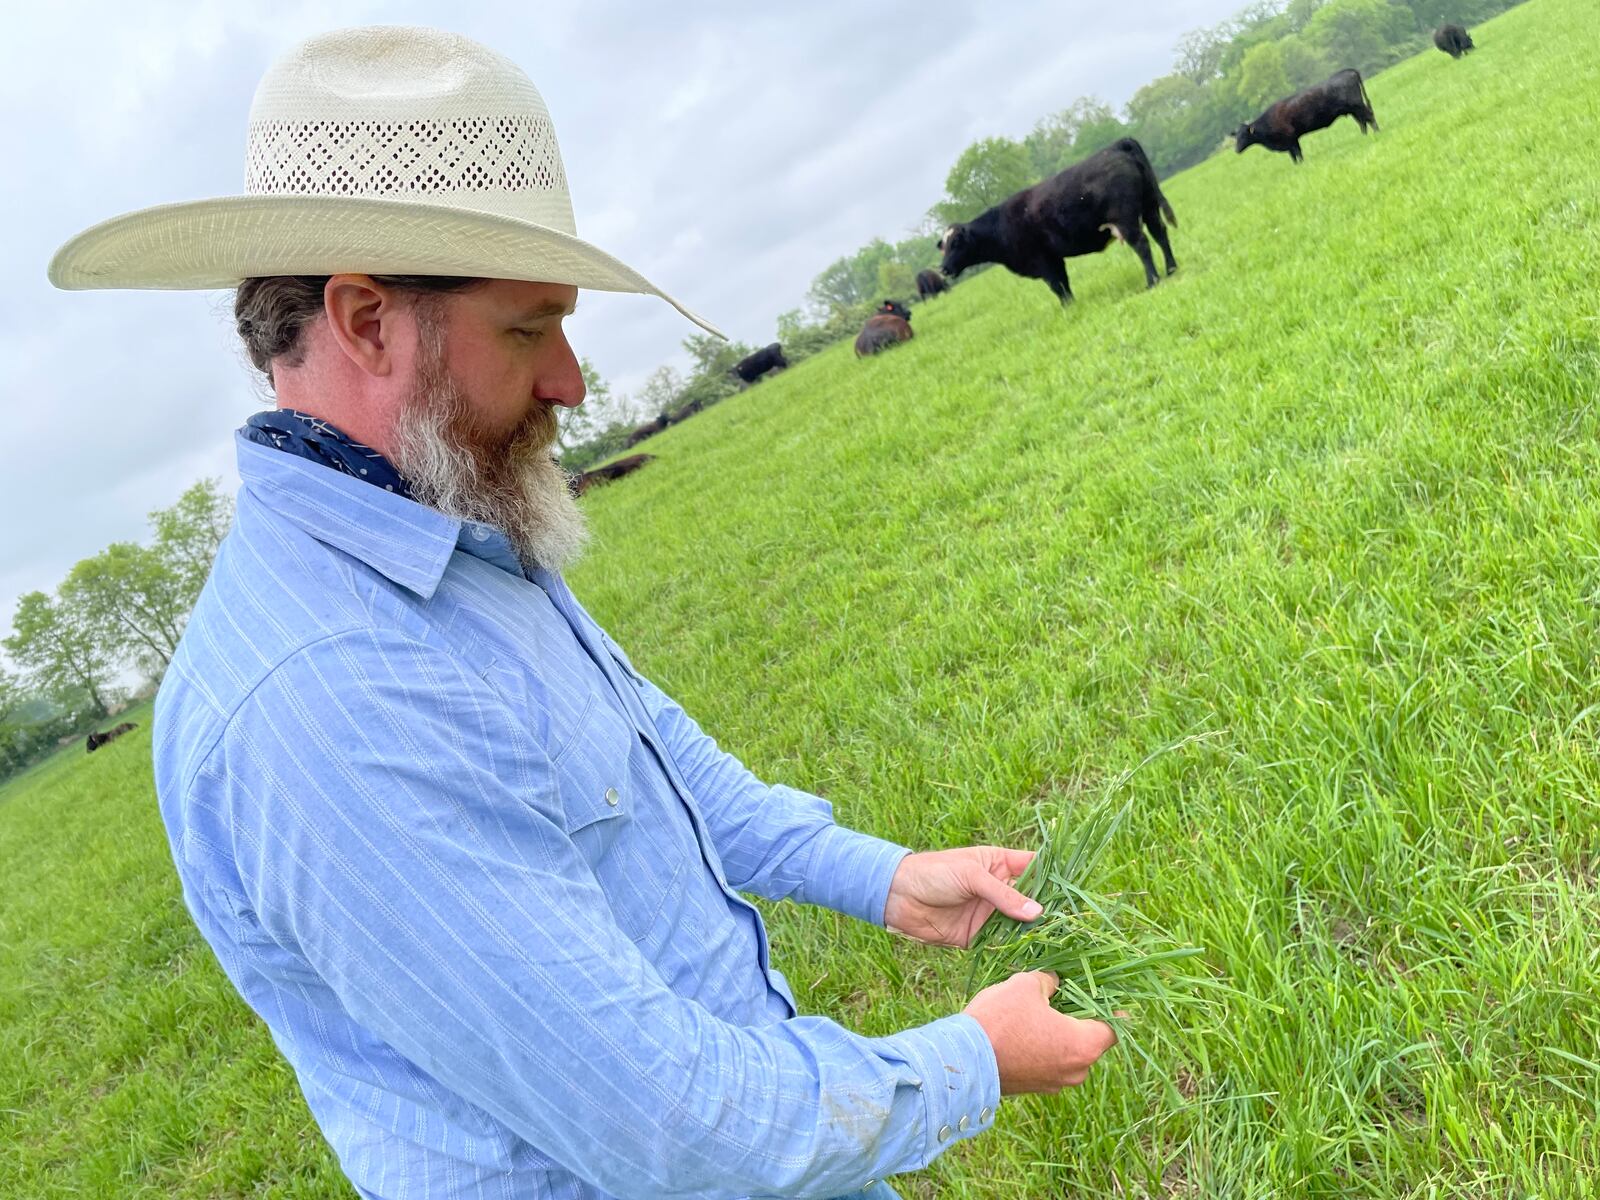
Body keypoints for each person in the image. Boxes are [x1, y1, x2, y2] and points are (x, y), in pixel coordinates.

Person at [49, 26, 1117, 1200]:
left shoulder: (454, 530)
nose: (569, 378)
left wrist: (885, 876)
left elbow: (654, 766)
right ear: (363, 321)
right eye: (528, 327)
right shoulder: (328, 698)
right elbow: (680, 1134)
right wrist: (972, 1059)